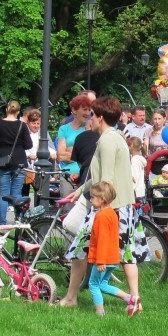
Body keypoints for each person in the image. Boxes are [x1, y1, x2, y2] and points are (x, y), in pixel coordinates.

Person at [55, 96, 146, 314]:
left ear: (101, 117)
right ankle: (136, 301)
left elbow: (105, 182)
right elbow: (96, 176)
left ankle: (71, 298)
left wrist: (97, 210)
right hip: (121, 207)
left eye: (93, 115)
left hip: (109, 208)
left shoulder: (106, 140)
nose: (90, 118)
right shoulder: (116, 137)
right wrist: (77, 193)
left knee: (80, 250)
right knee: (126, 255)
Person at [86, 181, 139, 316]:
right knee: (103, 284)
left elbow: (103, 240)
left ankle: (100, 312)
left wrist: (100, 261)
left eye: (92, 197)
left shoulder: (102, 216)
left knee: (93, 284)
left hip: (103, 259)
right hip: (112, 258)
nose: (90, 200)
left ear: (102, 199)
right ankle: (130, 298)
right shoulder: (112, 213)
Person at [0, 99, 33, 225]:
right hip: (19, 161)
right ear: (18, 112)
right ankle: (18, 220)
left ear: (7, 109)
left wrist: (1, 143)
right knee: (17, 192)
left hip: (3, 161)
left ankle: (2, 222)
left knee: (4, 192)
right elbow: (29, 145)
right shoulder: (21, 125)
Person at [128, 136, 147, 201]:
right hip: (140, 192)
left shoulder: (135, 160)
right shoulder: (139, 158)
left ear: (131, 146)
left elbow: (134, 177)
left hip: (136, 194)